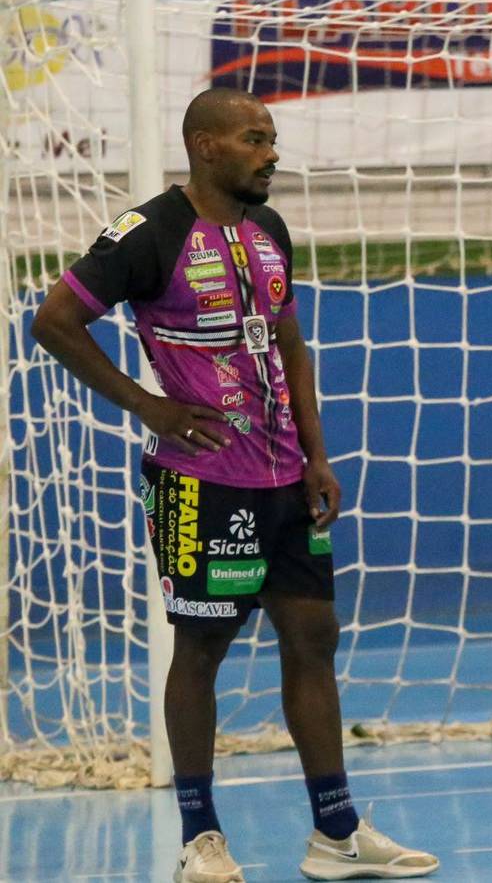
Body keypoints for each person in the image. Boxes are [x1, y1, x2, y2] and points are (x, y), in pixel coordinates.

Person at [30, 88, 438, 883]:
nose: (272, 153)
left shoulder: (269, 228)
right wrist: (148, 406)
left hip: (286, 478)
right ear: (205, 145)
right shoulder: (149, 234)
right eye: (256, 139)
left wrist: (317, 456)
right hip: (204, 482)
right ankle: (200, 838)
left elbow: (288, 341)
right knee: (205, 647)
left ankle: (336, 833)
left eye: (273, 139)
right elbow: (53, 321)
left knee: (314, 638)